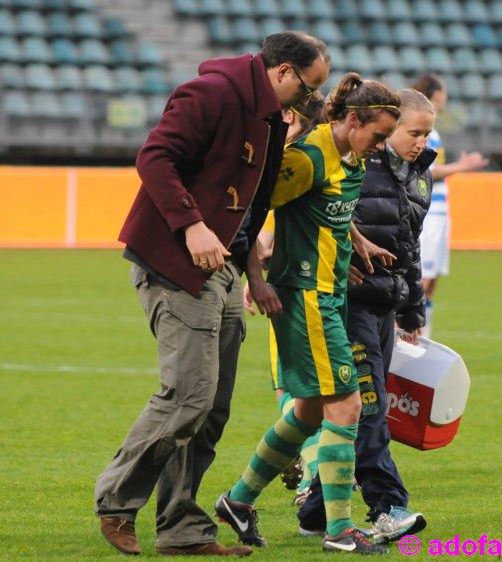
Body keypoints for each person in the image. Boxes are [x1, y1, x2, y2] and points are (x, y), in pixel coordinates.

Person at [94, 31, 330, 557]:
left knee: (210, 409)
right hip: (176, 262)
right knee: (189, 396)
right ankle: (115, 499)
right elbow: (154, 157)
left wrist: (254, 271)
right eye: (309, 87)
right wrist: (191, 226)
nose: (310, 100)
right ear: (285, 71)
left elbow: (255, 202)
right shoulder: (211, 93)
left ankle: (182, 530)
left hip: (224, 270)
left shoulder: (270, 117)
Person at [215, 73, 400, 555]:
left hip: (331, 294)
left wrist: (356, 243)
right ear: (352, 120)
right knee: (348, 405)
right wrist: (255, 278)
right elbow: (249, 210)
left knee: (308, 410)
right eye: (377, 135)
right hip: (304, 297)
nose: (379, 147)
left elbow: (335, 206)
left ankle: (238, 501)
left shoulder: (350, 155)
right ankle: (339, 530)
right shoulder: (307, 158)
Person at [297, 88, 438, 544]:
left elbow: (410, 250)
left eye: (427, 134)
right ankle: (388, 505)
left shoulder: (419, 178)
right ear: (387, 128)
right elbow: (318, 217)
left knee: (359, 408)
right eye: (413, 132)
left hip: (384, 307)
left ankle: (316, 507)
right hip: (348, 303)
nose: (421, 142)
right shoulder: (355, 165)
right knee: (369, 407)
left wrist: (412, 307)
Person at [242, 93, 327, 502]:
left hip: (297, 290)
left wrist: (255, 269)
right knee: (321, 393)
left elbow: (266, 233)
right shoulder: (332, 156)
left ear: (292, 116)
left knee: (292, 392)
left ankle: (308, 473)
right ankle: (305, 464)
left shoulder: (294, 160)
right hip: (330, 288)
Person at [409, 73, 489, 337]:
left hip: (439, 210)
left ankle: (423, 333)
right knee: (423, 278)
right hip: (429, 211)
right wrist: (462, 167)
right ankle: (411, 335)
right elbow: (424, 170)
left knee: (431, 281)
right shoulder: (425, 130)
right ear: (436, 94)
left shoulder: (434, 130)